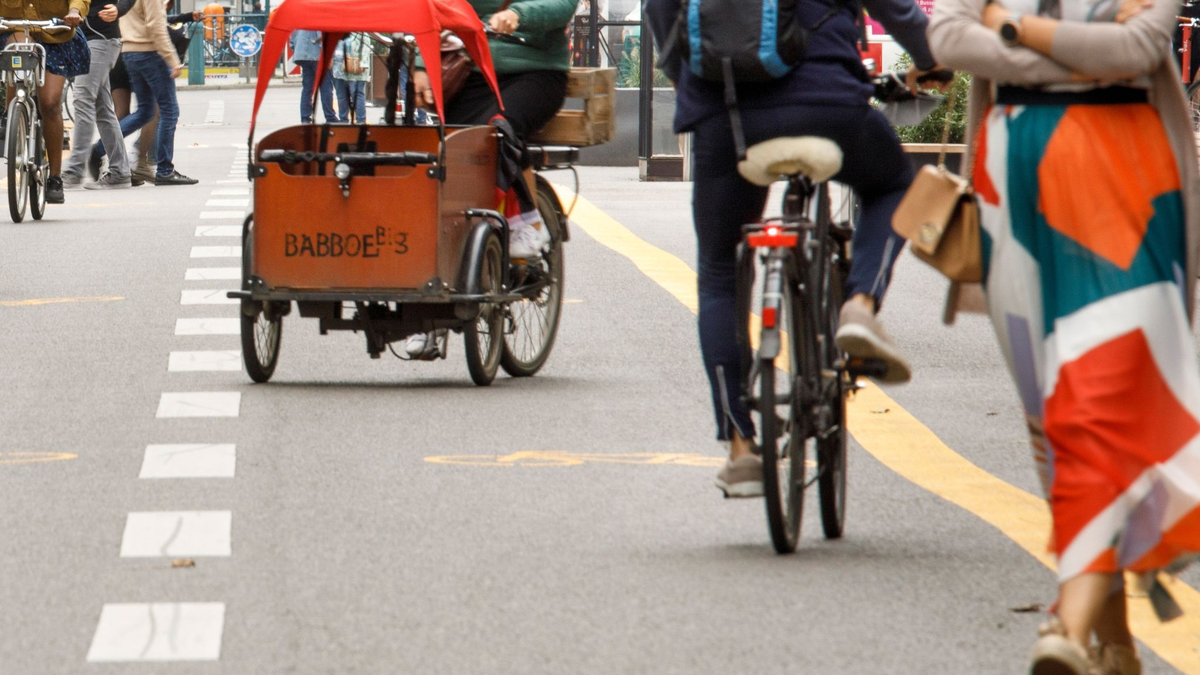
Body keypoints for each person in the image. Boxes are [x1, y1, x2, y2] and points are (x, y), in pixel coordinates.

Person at [928, 0, 1200, 672]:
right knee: (1049, 418)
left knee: (1094, 399)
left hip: (1126, 176)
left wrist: (1011, 27)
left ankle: (1069, 626)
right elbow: (947, 36)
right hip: (1009, 184)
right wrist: (1075, 50)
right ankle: (1115, 641)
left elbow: (1137, 49)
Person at [644, 0, 947, 495]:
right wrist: (933, 58)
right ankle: (860, 303)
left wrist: (689, 80)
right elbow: (896, 11)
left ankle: (740, 448)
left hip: (725, 112)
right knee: (893, 184)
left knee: (719, 273)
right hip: (829, 102)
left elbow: (660, 10)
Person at [404, 0, 576, 360]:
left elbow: (563, 4)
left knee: (498, 134)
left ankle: (526, 223)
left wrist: (519, 15)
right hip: (472, 71)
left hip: (534, 73)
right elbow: (434, 9)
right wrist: (420, 64)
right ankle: (431, 308)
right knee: (440, 156)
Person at [0, 0, 91, 204]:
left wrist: (74, 11)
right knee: (20, 50)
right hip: (15, 31)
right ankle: (10, 115)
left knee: (50, 103)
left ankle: (55, 178)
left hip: (55, 36)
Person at [63, 0, 134, 190]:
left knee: (83, 99)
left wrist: (119, 8)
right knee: (103, 109)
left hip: (101, 39)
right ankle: (120, 172)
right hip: (82, 40)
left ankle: (75, 170)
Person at [291, 28, 334, 123]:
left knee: (307, 88)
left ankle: (305, 117)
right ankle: (330, 116)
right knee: (326, 86)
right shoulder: (318, 19)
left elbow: (292, 39)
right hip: (317, 55)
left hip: (302, 56)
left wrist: (298, 51)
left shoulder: (299, 21)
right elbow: (321, 36)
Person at [332, 32, 370, 123]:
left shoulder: (361, 33)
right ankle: (343, 120)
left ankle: (360, 120)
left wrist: (363, 64)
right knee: (341, 95)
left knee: (356, 94)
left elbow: (366, 48)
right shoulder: (337, 32)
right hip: (338, 68)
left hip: (355, 69)